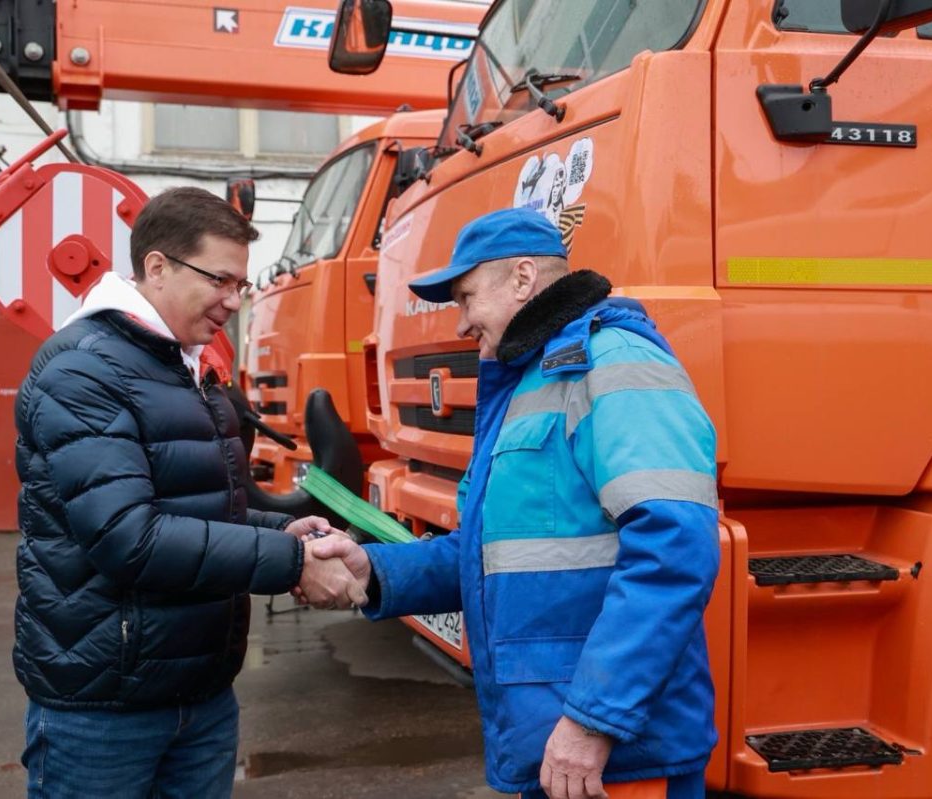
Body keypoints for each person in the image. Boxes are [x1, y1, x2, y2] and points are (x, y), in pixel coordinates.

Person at [309, 207, 721, 799]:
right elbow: (497, 551)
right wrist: (374, 570)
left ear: (524, 279)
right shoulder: (533, 381)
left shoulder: (615, 363)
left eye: (467, 296)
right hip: (561, 742)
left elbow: (675, 551)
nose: (461, 322)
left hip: (618, 756)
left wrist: (593, 720)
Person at [12, 186, 364, 799]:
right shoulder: (83, 371)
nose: (234, 300)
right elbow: (130, 538)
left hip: (200, 696)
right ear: (157, 267)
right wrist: (293, 563)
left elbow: (203, 509)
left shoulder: (183, 367)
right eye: (220, 280)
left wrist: (282, 531)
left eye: (240, 285)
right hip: (106, 708)